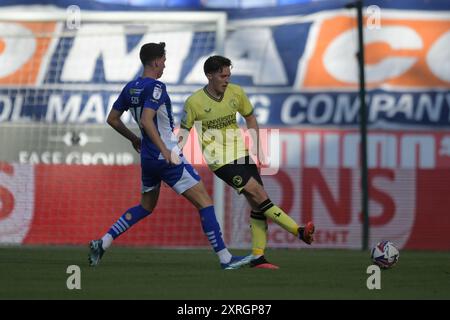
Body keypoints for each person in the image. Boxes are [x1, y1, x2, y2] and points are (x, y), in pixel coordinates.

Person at [88, 43, 251, 270]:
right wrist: (165, 151)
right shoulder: (156, 87)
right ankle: (225, 259)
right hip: (166, 155)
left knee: (145, 206)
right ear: (156, 62)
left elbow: (112, 119)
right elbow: (146, 119)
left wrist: (134, 139)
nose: (164, 64)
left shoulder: (131, 87)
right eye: (163, 60)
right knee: (205, 202)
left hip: (147, 158)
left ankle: (103, 242)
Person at [178, 55, 315, 269]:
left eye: (228, 75)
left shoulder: (236, 92)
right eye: (222, 76)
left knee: (259, 204)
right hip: (220, 161)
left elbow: (250, 117)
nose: (226, 79)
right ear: (209, 76)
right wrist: (172, 155)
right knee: (259, 194)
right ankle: (297, 230)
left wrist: (258, 148)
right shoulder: (194, 102)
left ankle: (258, 257)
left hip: (241, 154)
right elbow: (184, 132)